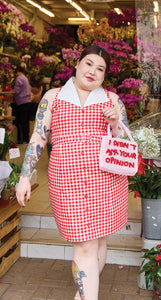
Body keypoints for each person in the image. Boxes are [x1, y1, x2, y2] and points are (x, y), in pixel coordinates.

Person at [16, 45, 129, 300]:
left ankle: (83, 295)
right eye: (89, 64)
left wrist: (115, 124)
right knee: (85, 243)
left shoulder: (112, 99)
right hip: (67, 182)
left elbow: (127, 143)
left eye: (100, 68)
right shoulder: (53, 96)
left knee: (98, 240)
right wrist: (25, 176)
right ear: (77, 64)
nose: (93, 71)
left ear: (105, 75)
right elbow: (38, 137)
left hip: (107, 182)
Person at [13, 66, 31, 144]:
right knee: (26, 122)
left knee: (21, 122)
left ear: (17, 71)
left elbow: (16, 91)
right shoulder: (24, 77)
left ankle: (22, 139)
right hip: (27, 101)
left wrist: (10, 92)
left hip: (21, 102)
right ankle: (26, 139)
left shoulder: (19, 78)